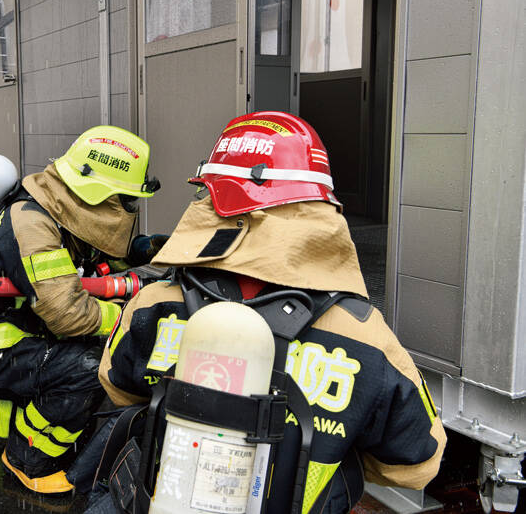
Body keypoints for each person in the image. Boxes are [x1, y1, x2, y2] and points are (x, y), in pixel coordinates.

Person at [93, 112, 446, 513]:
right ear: (317, 207)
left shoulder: (155, 300)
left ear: (216, 200)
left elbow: (116, 385)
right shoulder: (366, 336)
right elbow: (416, 465)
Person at [0, 125, 166, 493]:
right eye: (126, 200)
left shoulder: (55, 205)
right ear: (98, 194)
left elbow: (94, 251)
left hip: (17, 328)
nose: (130, 209)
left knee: (85, 359)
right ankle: (27, 458)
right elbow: (70, 314)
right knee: (90, 370)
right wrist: (129, 320)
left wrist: (148, 249)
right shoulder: (32, 226)